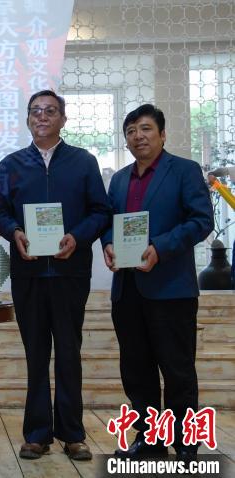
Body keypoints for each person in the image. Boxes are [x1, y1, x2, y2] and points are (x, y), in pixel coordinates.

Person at [0, 90, 111, 461]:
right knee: (35, 354)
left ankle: (73, 434)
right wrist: (15, 232)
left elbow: (100, 211)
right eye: (35, 111)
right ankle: (36, 433)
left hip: (69, 272)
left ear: (63, 118)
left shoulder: (83, 161)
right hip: (28, 272)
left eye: (49, 111)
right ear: (27, 119)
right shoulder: (11, 164)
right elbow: (1, 212)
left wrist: (77, 236)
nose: (42, 116)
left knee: (68, 352)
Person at [102, 104, 213, 461]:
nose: (138, 136)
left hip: (171, 288)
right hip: (127, 289)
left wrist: (159, 249)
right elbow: (108, 221)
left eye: (146, 128)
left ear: (163, 134)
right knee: (137, 369)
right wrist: (108, 244)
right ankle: (149, 440)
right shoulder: (120, 179)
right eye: (131, 131)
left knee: (178, 369)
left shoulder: (184, 171)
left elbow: (201, 220)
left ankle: (185, 442)